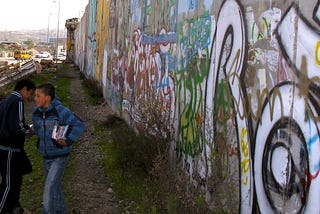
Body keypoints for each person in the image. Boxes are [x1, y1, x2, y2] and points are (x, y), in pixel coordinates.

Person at [32, 83, 84, 214]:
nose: (35, 98)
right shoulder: (36, 113)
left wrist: (68, 140)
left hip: (59, 156)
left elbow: (78, 124)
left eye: (38, 96)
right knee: (55, 188)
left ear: (48, 98)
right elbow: (38, 130)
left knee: (49, 189)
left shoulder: (60, 111)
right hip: (45, 156)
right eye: (35, 95)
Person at [0, 78, 36, 214]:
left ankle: (15, 208)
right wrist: (29, 130)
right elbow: (18, 125)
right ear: (24, 89)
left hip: (6, 148)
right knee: (9, 183)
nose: (29, 98)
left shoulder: (6, 101)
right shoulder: (18, 100)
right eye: (30, 93)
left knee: (15, 180)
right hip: (9, 148)